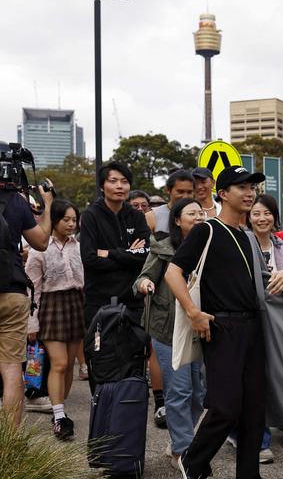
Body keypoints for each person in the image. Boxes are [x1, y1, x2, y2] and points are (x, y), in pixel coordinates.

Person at [165, 165, 283, 479]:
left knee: (253, 407)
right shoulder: (207, 230)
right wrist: (193, 311)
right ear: (223, 193)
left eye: (252, 187)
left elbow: (259, 281)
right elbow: (174, 272)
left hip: (253, 326)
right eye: (241, 187)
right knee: (225, 404)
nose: (249, 192)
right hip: (221, 327)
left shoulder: (247, 235)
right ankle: (193, 462)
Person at [134, 198, 207, 468]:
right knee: (180, 390)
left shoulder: (209, 248)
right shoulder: (163, 248)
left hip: (199, 328)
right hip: (167, 329)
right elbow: (141, 278)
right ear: (177, 220)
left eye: (201, 213)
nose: (198, 217)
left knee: (199, 394)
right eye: (192, 214)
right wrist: (145, 284)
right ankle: (182, 449)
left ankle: (180, 437)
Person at [25, 199, 82, 439]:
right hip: (51, 305)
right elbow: (33, 288)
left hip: (77, 304)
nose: (71, 224)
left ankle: (60, 409)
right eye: (65, 220)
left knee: (69, 364)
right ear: (54, 220)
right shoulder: (40, 248)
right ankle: (59, 417)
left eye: (74, 220)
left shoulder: (79, 246)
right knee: (58, 363)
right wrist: (31, 322)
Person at [0, 169, 53, 424]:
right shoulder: (17, 202)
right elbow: (42, 242)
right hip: (11, 290)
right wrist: (48, 205)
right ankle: (10, 441)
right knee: (11, 367)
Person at [247, 193, 283, 464]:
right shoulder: (243, 242)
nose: (262, 218)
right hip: (249, 318)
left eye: (266, 213)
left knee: (270, 376)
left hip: (276, 322)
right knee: (253, 379)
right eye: (256, 213)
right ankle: (259, 440)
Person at [79, 161, 151, 329]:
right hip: (99, 302)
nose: (119, 186)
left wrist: (111, 253)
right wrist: (130, 255)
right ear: (102, 186)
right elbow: (90, 259)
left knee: (134, 353)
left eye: (124, 181)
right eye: (113, 181)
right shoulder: (91, 216)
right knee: (101, 354)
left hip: (132, 302)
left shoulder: (136, 216)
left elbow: (146, 254)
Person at [148, 169, 195, 233]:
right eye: (180, 192)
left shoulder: (200, 217)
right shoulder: (152, 217)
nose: (185, 196)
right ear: (168, 190)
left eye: (189, 192)